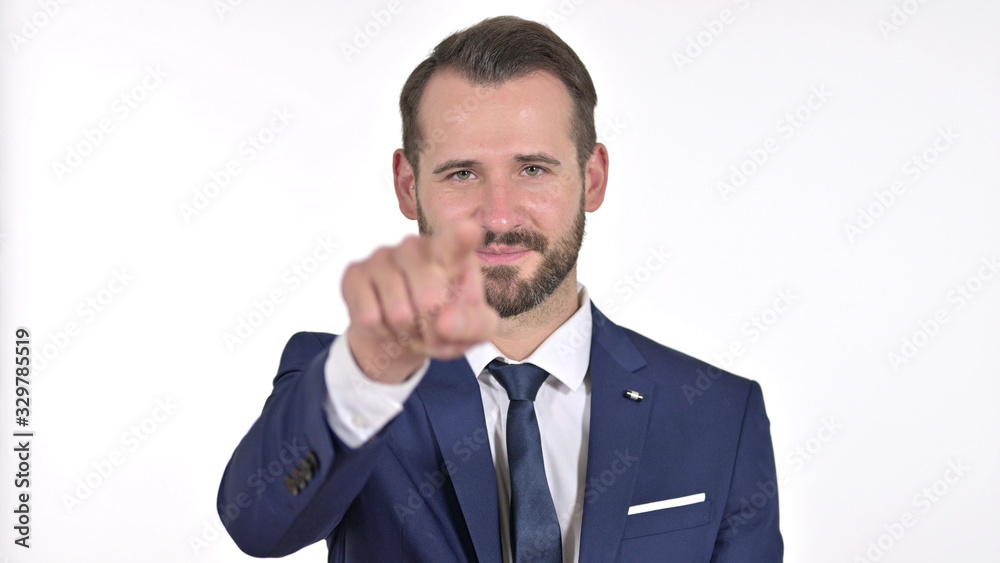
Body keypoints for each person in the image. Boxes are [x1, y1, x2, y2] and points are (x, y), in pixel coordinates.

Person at [217, 15, 782, 562]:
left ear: (593, 177)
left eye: (533, 169)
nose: (499, 216)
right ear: (408, 186)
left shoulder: (719, 413)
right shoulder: (350, 381)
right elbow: (260, 523)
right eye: (462, 173)